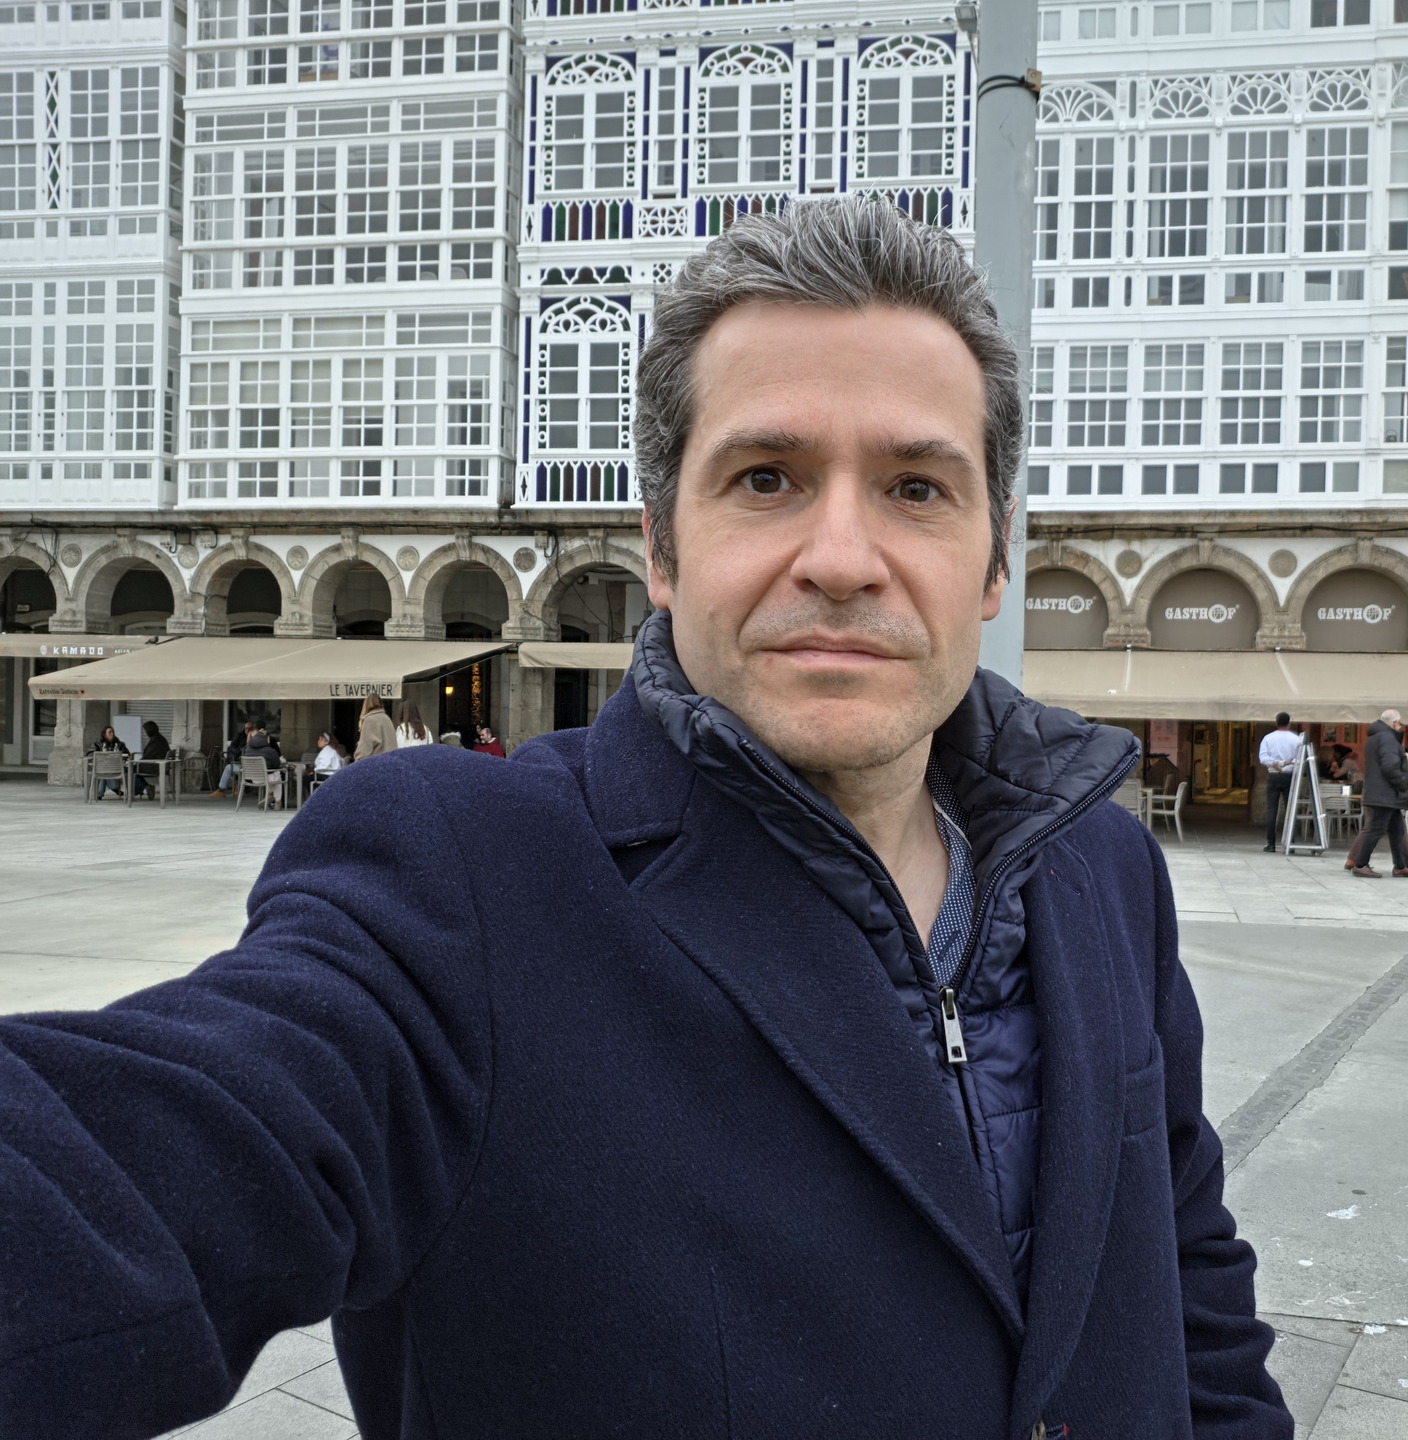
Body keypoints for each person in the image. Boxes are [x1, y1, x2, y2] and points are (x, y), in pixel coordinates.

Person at [0, 199, 1290, 1440]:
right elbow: (167, 1149)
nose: (844, 558)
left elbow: (1186, 1282)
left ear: (995, 557)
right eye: (768, 477)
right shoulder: (461, 881)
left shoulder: (1101, 867)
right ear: (662, 550)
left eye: (916, 488)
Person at [1350, 709, 1408, 878]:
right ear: (1394, 723)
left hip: (1381, 792)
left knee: (1397, 830)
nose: (1400, 727)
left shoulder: (1374, 738)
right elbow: (1390, 766)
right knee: (1376, 829)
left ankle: (1400, 866)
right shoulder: (1388, 739)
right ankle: (1361, 865)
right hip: (1386, 793)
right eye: (1399, 724)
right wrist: (1402, 783)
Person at [1258, 710, 1304, 852]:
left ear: (1276, 722)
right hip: (1290, 776)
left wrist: (1274, 763)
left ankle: (1271, 843)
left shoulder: (1268, 738)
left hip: (1273, 775)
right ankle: (1291, 843)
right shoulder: (1296, 739)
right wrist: (1286, 763)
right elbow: (1300, 758)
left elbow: (1263, 757)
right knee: (1290, 809)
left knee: (1272, 809)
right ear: (1289, 723)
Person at [211, 722, 254, 798]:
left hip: (247, 768)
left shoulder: (248, 746)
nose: (248, 731)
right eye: (246, 729)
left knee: (229, 767)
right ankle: (237, 786)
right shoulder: (266, 748)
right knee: (231, 765)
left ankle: (222, 790)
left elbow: (238, 751)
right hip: (262, 771)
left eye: (250, 729)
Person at [131, 719, 169, 800]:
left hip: (155, 767)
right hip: (159, 765)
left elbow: (148, 755)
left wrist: (138, 762)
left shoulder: (155, 740)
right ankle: (145, 787)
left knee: (131, 769)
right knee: (134, 768)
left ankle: (144, 788)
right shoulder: (160, 738)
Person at [352, 693, 397, 761]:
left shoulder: (369, 720)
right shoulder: (387, 719)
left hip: (376, 762)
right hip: (390, 761)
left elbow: (365, 747)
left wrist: (357, 759)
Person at [90, 724, 131, 800]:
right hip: (101, 769)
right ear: (104, 734)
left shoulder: (120, 744)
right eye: (109, 732)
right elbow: (90, 754)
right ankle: (113, 788)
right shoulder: (97, 744)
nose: (112, 734)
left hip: (116, 770)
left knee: (104, 772)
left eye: (112, 732)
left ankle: (100, 793)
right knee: (104, 770)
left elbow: (127, 755)